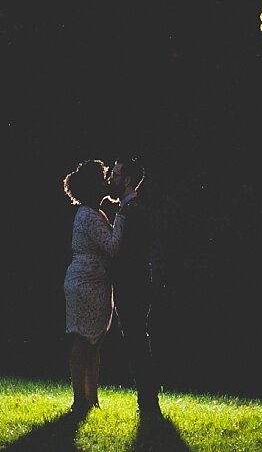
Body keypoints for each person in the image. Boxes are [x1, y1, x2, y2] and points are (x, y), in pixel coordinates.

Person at [104, 158, 161, 417]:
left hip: (132, 285)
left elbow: (123, 251)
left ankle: (148, 401)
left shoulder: (131, 212)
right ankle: (148, 399)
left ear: (127, 180)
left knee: (136, 340)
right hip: (138, 283)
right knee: (138, 339)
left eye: (114, 175)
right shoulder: (136, 209)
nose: (110, 179)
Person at [61, 159, 117, 412]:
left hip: (91, 282)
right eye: (105, 177)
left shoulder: (93, 213)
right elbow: (113, 246)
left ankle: (90, 399)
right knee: (83, 342)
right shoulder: (89, 216)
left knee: (92, 343)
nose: (108, 181)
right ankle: (79, 400)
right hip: (86, 283)